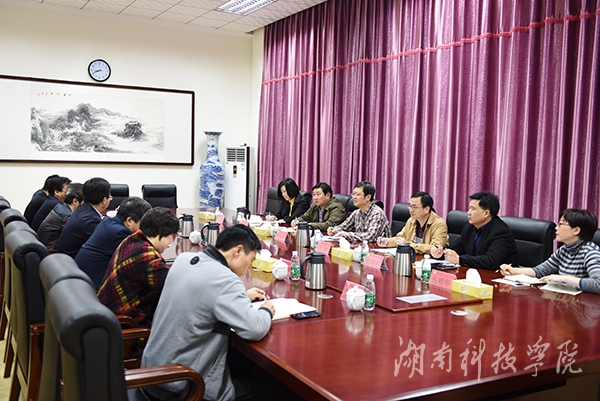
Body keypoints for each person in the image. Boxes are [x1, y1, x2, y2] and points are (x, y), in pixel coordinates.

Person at [141, 225, 275, 401]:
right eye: (250, 261)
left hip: (151, 374)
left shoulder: (184, 259)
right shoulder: (226, 280)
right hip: (183, 385)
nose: (249, 268)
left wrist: (242, 296)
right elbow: (254, 329)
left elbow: (204, 293)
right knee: (272, 391)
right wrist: (266, 310)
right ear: (238, 251)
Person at [98, 207, 179, 327]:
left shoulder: (130, 240)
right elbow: (174, 288)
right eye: (171, 238)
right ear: (161, 231)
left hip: (108, 312)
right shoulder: (147, 257)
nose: (169, 243)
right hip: (125, 323)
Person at [500, 208, 600, 294]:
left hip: (584, 306)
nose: (556, 228)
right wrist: (513, 271)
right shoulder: (564, 250)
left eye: (561, 224)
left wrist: (562, 279)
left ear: (576, 230)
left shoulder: (591, 253)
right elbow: (540, 271)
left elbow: (598, 284)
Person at [75, 197, 152, 289]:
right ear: (129, 221)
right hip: (93, 286)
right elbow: (138, 258)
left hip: (82, 277)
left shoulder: (108, 221)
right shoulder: (120, 233)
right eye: (143, 223)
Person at [431, 191, 518, 270]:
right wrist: (440, 252)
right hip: (475, 274)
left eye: (473, 209)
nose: (468, 212)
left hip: (500, 277)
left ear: (486, 213)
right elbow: (456, 249)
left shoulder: (501, 232)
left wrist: (460, 259)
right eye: (469, 208)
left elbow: (491, 261)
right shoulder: (469, 228)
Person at [377, 191, 448, 254]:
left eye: (414, 207)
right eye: (410, 206)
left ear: (426, 209)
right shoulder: (411, 220)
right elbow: (400, 239)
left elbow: (435, 248)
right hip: (413, 258)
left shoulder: (439, 224)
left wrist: (408, 245)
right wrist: (387, 241)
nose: (411, 210)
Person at [56, 177, 111, 258]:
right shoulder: (90, 221)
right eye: (109, 197)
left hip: (66, 259)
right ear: (104, 200)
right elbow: (106, 244)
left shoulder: (83, 209)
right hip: (73, 263)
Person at [327, 181, 391, 242]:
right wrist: (334, 230)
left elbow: (370, 236)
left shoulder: (377, 213)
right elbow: (344, 226)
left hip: (380, 248)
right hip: (362, 247)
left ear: (368, 197)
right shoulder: (356, 213)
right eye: (353, 194)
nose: (354, 197)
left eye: (357, 195)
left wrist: (347, 235)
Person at [37, 183, 83, 249]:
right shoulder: (67, 215)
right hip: (51, 250)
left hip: (46, 246)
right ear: (75, 201)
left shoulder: (61, 207)